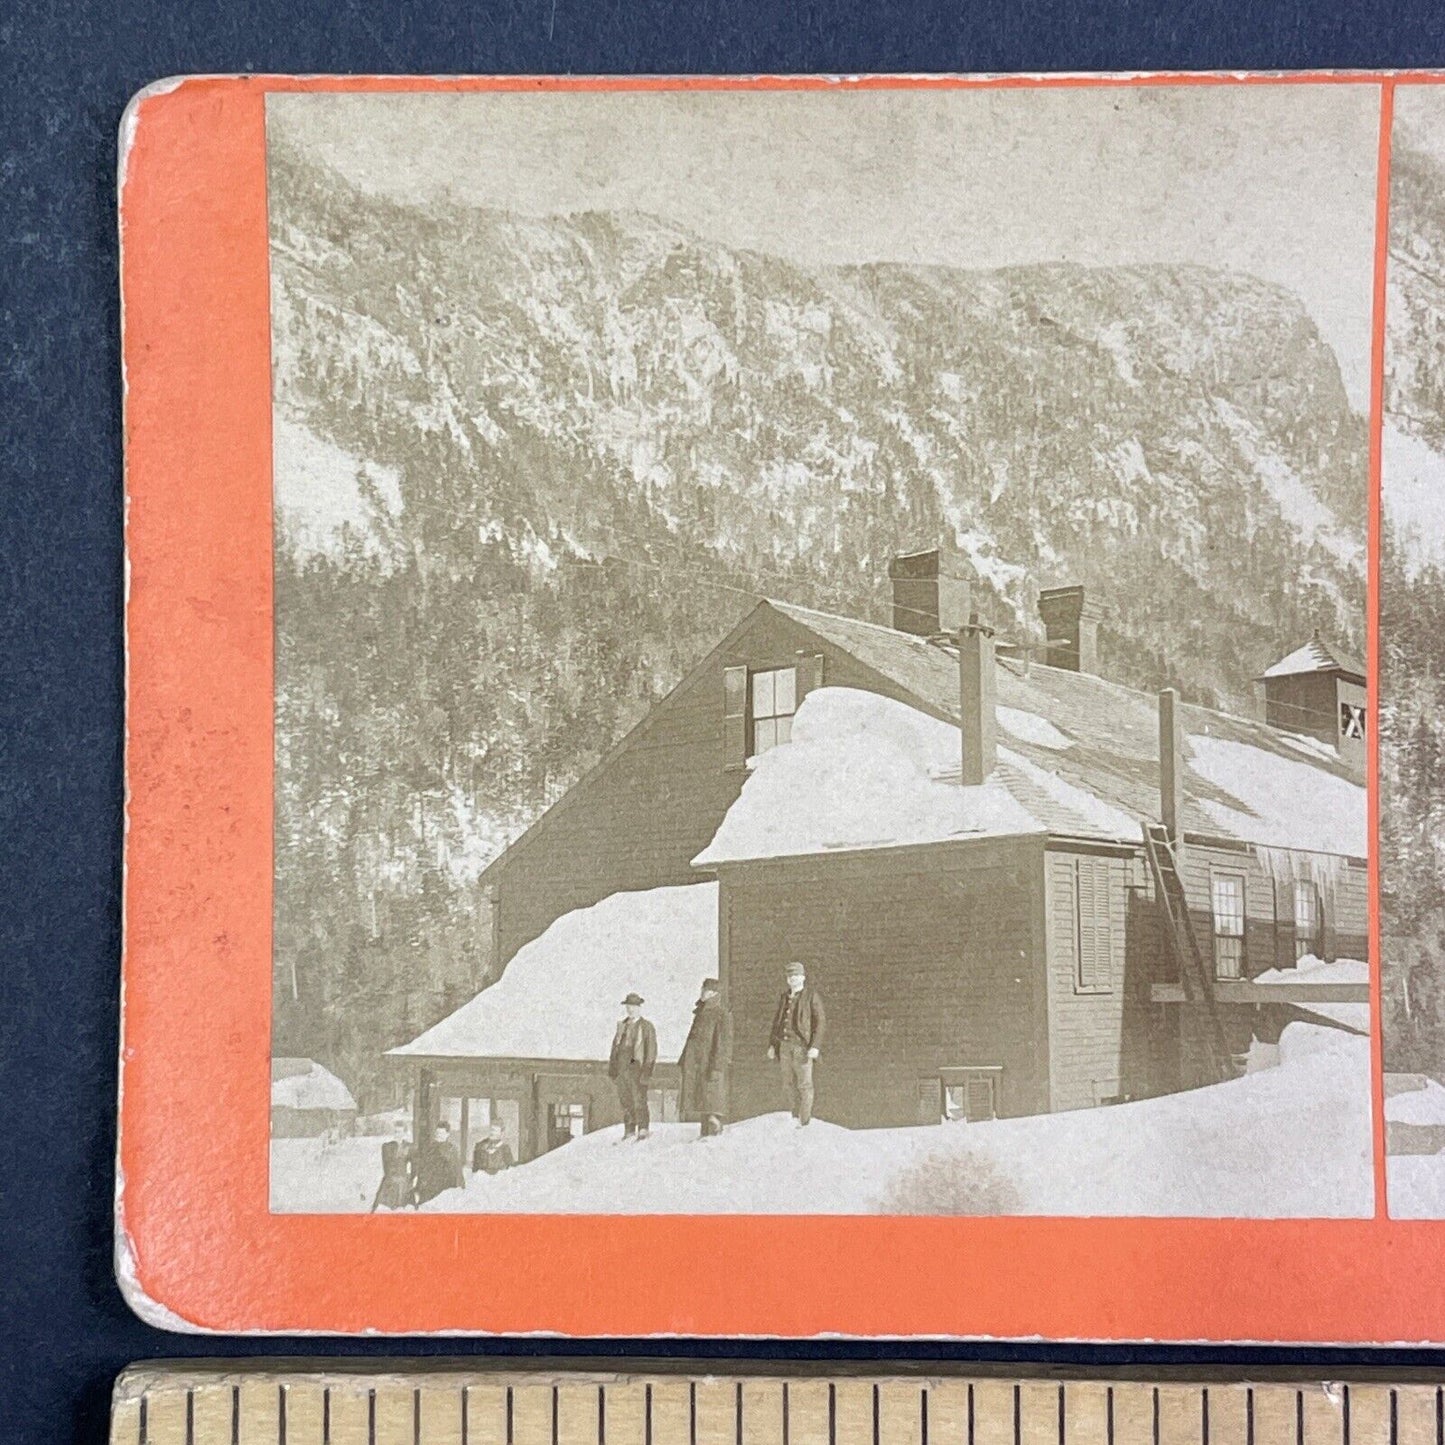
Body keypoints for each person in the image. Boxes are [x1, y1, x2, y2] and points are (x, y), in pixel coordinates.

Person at [767, 960, 825, 1126]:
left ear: (803, 978)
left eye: (797, 976)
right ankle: (793, 1116)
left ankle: (805, 1121)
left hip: (802, 1047)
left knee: (805, 1084)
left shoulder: (810, 996)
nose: (793, 979)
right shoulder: (784, 997)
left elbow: (820, 1022)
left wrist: (815, 1046)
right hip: (785, 1046)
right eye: (790, 976)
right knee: (787, 1083)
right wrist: (772, 1045)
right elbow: (776, 1023)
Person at [679, 977, 734, 1139]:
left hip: (711, 1063)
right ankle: (704, 1135)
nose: (703, 993)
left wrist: (717, 1065)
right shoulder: (701, 1013)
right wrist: (684, 1059)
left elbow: (724, 1043)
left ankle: (714, 1132)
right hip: (698, 1063)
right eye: (703, 989)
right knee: (703, 1100)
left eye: (707, 990)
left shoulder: (721, 1014)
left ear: (715, 993)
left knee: (712, 1100)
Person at [608, 992, 658, 1140]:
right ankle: (629, 1129)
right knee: (626, 1100)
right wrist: (613, 1069)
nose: (631, 1010)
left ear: (639, 1008)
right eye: (628, 1006)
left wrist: (647, 1071)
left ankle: (643, 1128)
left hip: (637, 1068)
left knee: (639, 1099)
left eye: (634, 1007)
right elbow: (614, 1048)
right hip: (622, 1069)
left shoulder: (646, 1027)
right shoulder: (622, 1026)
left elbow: (651, 1051)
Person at [413, 1121, 465, 1205]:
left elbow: (457, 1171)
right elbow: (423, 1168)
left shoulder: (452, 1150)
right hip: (429, 1187)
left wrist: (460, 1187)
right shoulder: (429, 1148)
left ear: (447, 1134)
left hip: (445, 1188)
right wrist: (419, 1186)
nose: (438, 1135)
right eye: (437, 1133)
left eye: (441, 1133)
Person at [370, 1121, 417, 1211]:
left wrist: (411, 1177)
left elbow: (415, 1164)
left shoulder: (410, 1147)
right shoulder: (387, 1146)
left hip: (403, 1178)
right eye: (396, 1132)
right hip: (390, 1178)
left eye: (400, 1132)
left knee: (406, 1206)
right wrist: (389, 1177)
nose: (398, 1134)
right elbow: (385, 1165)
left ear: (404, 1133)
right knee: (381, 1206)